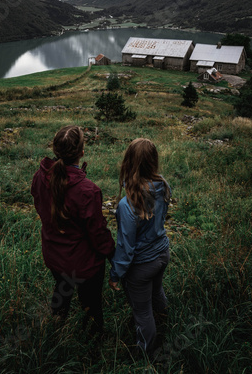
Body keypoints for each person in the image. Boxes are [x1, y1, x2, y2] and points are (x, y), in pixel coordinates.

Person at [31, 125, 115, 335]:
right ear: (81, 152)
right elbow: (98, 233)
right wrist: (114, 255)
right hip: (84, 264)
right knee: (91, 304)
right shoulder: (88, 190)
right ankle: (92, 345)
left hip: (54, 256)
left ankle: (56, 329)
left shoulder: (40, 177)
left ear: (55, 150)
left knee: (61, 289)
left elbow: (40, 205)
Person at [109, 138, 171, 354]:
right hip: (163, 252)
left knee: (142, 312)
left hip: (142, 264)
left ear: (128, 162)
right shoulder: (162, 185)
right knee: (157, 291)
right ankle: (165, 321)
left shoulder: (127, 204)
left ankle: (146, 354)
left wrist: (115, 274)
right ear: (153, 162)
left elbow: (126, 248)